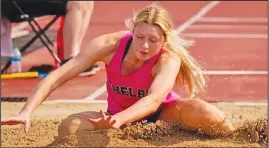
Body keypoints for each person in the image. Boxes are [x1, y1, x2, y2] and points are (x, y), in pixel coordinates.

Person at [1, 4, 235, 137]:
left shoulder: (168, 58)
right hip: (117, 118)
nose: (144, 46)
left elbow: (153, 101)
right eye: (139, 37)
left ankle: (237, 137)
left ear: (164, 40)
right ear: (132, 31)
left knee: (205, 112)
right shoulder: (109, 46)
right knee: (68, 129)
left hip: (162, 115)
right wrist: (26, 111)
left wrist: (116, 120)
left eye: (153, 40)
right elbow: (58, 76)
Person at [1, 1, 100, 76]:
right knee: (75, 3)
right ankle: (69, 61)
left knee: (87, 2)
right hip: (12, 3)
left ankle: (76, 57)